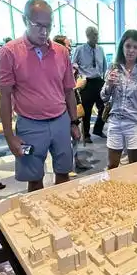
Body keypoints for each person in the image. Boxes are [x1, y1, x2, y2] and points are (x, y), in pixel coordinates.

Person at [0, 0, 80, 192]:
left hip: (60, 120)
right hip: (30, 124)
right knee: (34, 178)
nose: (44, 32)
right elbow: (5, 97)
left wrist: (74, 122)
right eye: (38, 26)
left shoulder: (61, 52)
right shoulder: (9, 52)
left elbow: (69, 91)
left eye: (48, 26)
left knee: (64, 172)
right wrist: (9, 136)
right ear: (25, 20)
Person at [101, 30, 137, 169]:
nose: (131, 50)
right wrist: (109, 84)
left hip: (136, 124)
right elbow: (104, 96)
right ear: (122, 47)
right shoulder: (113, 68)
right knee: (112, 166)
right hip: (115, 122)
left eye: (135, 47)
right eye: (128, 46)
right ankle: (113, 190)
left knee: (134, 167)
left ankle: (132, 191)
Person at [53, 35, 89, 172]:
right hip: (62, 107)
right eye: (67, 45)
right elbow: (62, 90)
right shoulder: (54, 65)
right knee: (64, 139)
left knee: (75, 135)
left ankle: (76, 160)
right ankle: (68, 167)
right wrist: (76, 85)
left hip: (73, 104)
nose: (70, 48)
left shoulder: (69, 64)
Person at [72, 26, 107, 143]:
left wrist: (105, 79)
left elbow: (104, 65)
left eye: (97, 34)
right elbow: (73, 64)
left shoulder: (100, 49)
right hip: (86, 82)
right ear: (88, 36)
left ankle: (98, 129)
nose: (96, 37)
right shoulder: (80, 49)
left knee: (103, 107)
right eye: (94, 35)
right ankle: (86, 134)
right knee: (86, 110)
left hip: (99, 80)